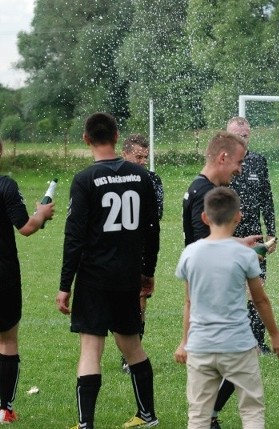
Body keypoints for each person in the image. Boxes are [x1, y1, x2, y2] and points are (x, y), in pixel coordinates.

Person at [56, 112, 160, 429]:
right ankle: (147, 415)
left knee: (91, 348)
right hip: (127, 276)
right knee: (132, 345)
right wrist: (148, 271)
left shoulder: (85, 179)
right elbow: (152, 230)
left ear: (86, 139)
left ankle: (86, 424)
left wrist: (64, 285)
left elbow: (74, 237)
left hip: (94, 277)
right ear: (117, 136)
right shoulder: (142, 178)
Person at [174, 187, 279, 429]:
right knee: (251, 410)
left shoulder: (190, 254)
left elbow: (189, 301)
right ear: (238, 216)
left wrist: (184, 341)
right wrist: (276, 335)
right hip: (237, 345)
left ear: (205, 218)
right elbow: (260, 301)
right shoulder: (245, 255)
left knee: (198, 415)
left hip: (200, 345)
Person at [179, 130, 261, 429]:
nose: (239, 169)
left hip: (204, 286)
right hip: (212, 292)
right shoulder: (204, 193)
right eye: (238, 162)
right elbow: (209, 245)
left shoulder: (198, 187)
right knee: (239, 358)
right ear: (223, 157)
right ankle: (209, 415)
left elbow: (208, 243)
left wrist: (244, 243)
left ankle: (208, 415)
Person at [0, 139, 55, 424]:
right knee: (7, 341)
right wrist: (42, 214)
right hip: (3, 274)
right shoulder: (5, 185)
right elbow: (26, 227)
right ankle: (4, 409)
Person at [227, 117, 276, 355]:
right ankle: (234, 340)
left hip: (254, 233)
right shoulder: (221, 162)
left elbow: (266, 198)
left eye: (245, 136)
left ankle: (257, 342)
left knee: (257, 288)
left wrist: (272, 230)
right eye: (237, 135)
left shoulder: (258, 161)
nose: (241, 140)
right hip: (228, 234)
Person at [120, 134, 165, 373]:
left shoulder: (153, 180)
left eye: (145, 157)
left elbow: (153, 218)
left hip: (140, 249)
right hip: (114, 250)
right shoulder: (113, 178)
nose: (142, 161)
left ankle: (131, 356)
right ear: (125, 153)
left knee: (139, 300)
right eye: (138, 156)